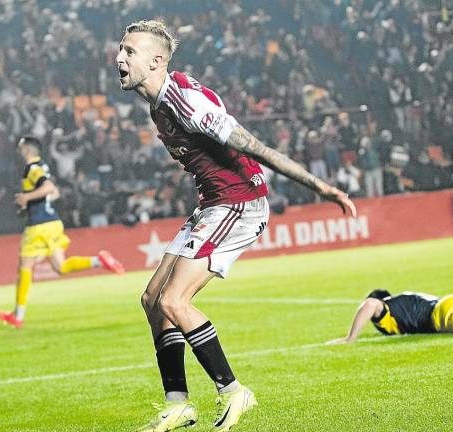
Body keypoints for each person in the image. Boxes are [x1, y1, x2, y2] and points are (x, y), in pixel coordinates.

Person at [116, 20, 356, 432]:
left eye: (129, 52)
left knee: (175, 301)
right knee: (152, 299)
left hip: (240, 203)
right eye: (120, 49)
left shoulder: (186, 104)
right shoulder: (157, 101)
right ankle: (178, 404)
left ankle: (232, 391)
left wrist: (322, 187)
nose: (119, 58)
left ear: (156, 61)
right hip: (213, 203)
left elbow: (256, 147)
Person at [0, 137, 126, 329]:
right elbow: (54, 192)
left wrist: (26, 198)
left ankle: (18, 316)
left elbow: (48, 188)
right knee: (61, 267)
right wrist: (34, 201)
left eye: (20, 147)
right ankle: (99, 261)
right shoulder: (42, 166)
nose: (17, 150)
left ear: (26, 150)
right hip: (53, 223)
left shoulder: (32, 168)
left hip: (38, 226)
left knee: (25, 267)